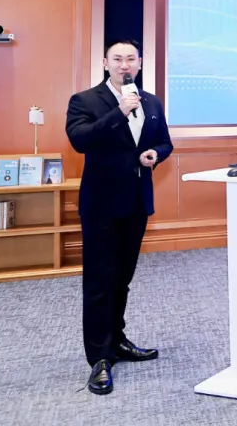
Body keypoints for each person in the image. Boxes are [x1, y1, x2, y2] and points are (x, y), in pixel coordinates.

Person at [65, 39, 173, 395]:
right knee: (100, 282)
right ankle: (99, 358)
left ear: (139, 63)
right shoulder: (85, 100)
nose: (124, 65)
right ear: (105, 63)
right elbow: (80, 140)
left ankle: (117, 341)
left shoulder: (152, 101)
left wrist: (155, 154)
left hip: (137, 203)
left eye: (130, 59)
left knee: (122, 279)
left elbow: (165, 142)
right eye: (117, 59)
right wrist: (119, 112)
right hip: (101, 205)